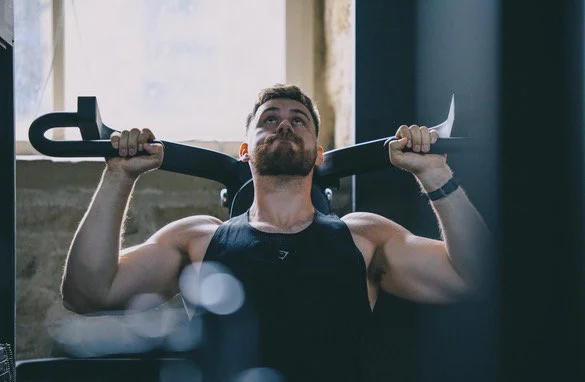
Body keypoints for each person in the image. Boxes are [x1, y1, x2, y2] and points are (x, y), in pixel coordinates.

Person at [60, 84, 490, 381]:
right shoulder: (199, 239)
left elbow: (477, 279)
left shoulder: (364, 237)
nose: (285, 126)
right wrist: (119, 176)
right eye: (270, 119)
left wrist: (435, 173)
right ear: (245, 150)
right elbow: (88, 293)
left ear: (318, 155)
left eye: (299, 120)